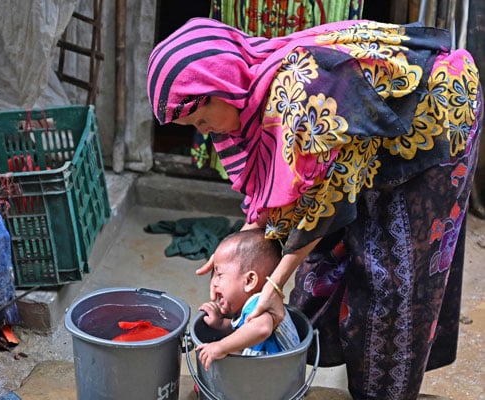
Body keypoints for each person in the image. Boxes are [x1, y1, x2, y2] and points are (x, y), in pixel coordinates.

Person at [147, 17, 482, 400]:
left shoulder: (302, 99)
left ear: (221, 88)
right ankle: (326, 351)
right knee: (319, 255)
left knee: (390, 276)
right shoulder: (259, 89)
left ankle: (383, 392)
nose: (205, 132)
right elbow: (282, 193)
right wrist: (240, 246)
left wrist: (273, 284)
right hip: (365, 141)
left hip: (436, 114)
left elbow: (327, 200)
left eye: (203, 119)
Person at [196, 229, 300, 371]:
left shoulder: (259, 303)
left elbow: (261, 329)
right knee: (225, 350)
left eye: (219, 274)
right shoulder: (248, 307)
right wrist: (221, 323)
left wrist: (220, 347)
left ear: (249, 280)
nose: (213, 283)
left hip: (276, 376)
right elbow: (246, 332)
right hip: (271, 369)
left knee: (222, 353)